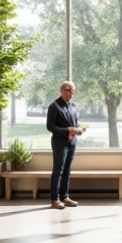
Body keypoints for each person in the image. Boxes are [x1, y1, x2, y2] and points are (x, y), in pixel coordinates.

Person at [46, 80, 84, 210]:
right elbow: (50, 127)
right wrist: (68, 130)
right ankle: (54, 198)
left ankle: (64, 196)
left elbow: (75, 123)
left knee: (67, 169)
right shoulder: (54, 106)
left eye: (73, 90)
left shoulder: (74, 106)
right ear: (62, 91)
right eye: (68, 90)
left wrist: (78, 130)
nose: (71, 93)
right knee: (58, 169)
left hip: (72, 141)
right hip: (59, 142)